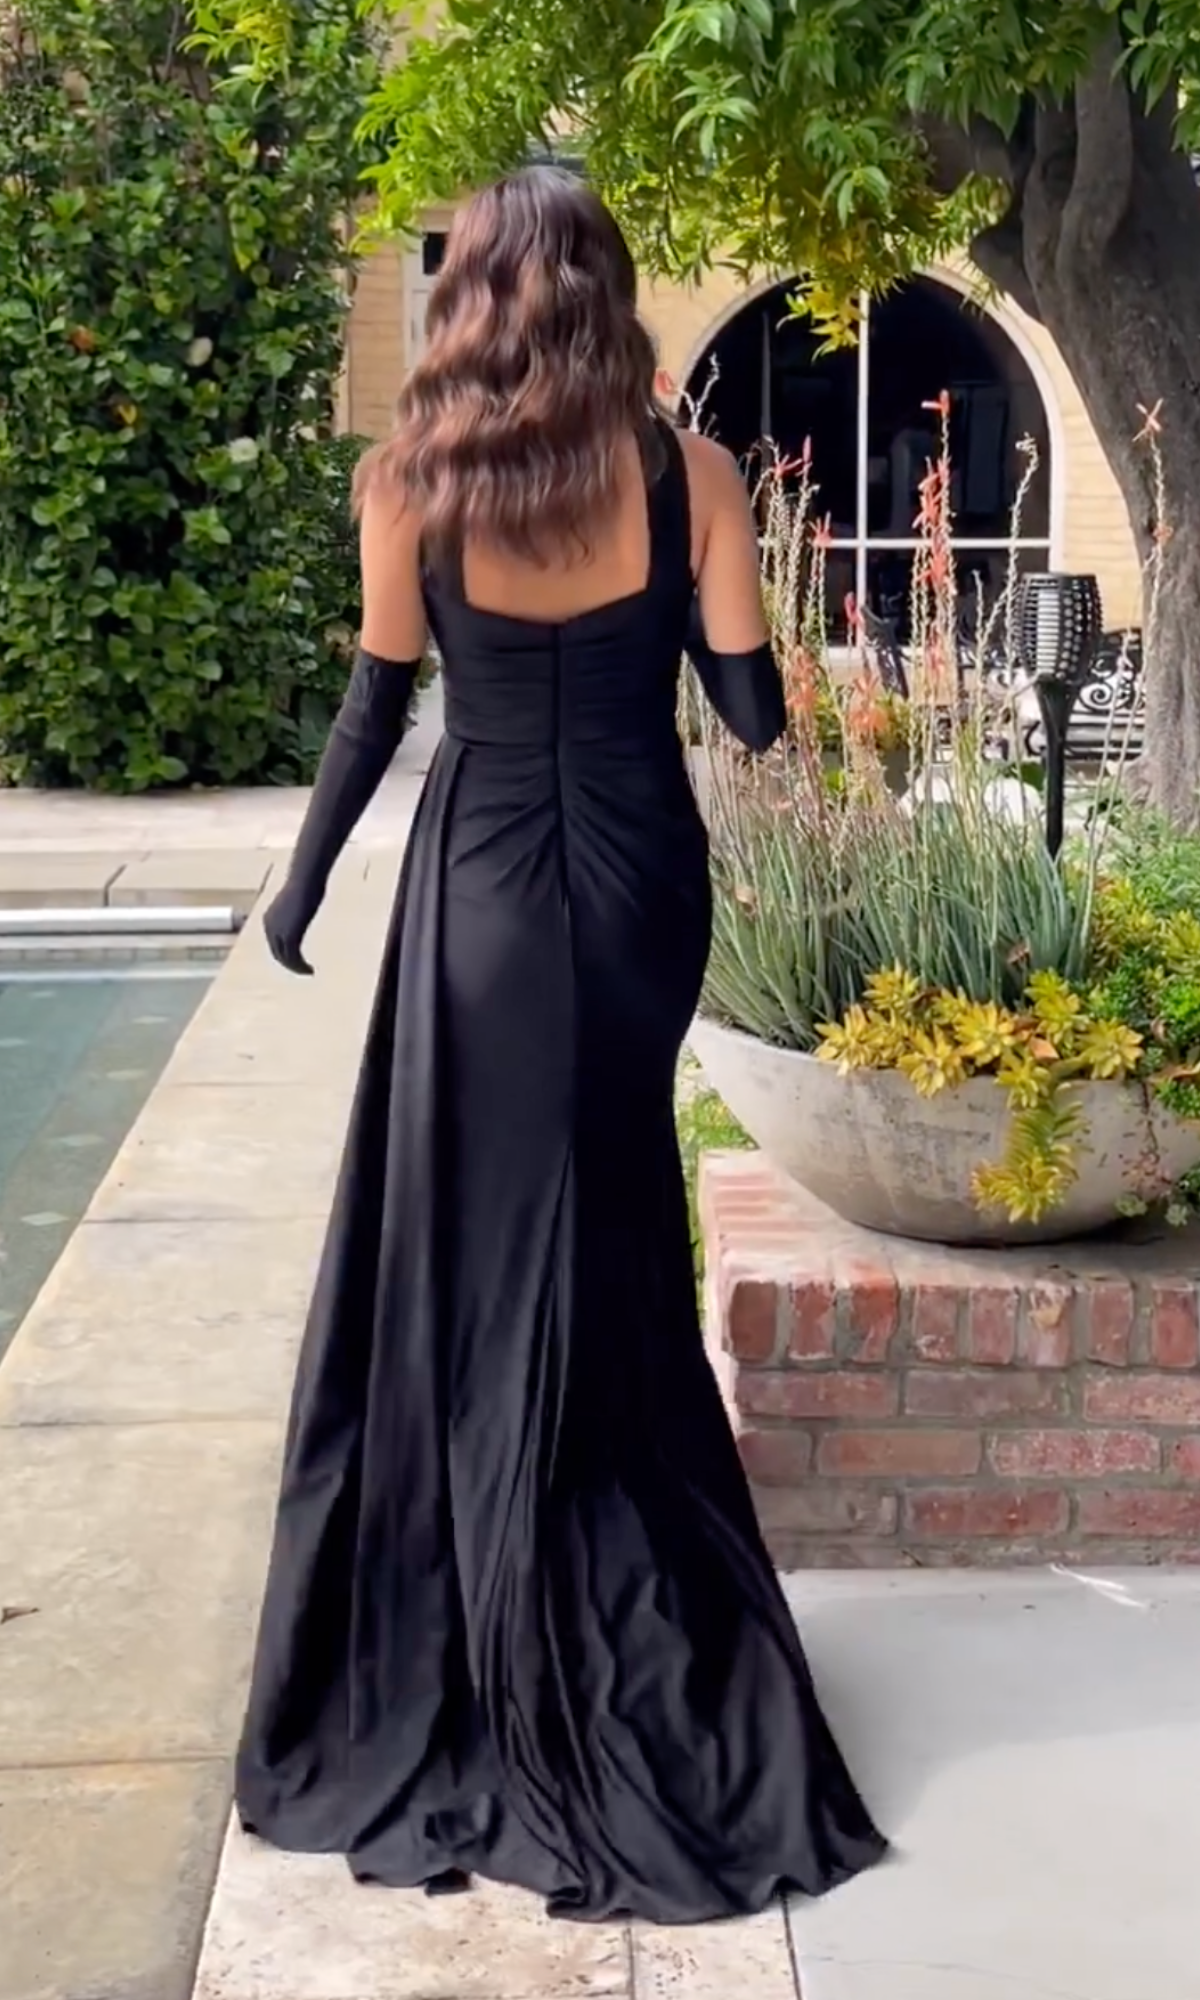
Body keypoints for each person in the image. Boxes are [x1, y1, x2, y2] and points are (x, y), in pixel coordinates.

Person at [236, 165, 885, 1925]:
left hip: (484, 895)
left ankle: (477, 1623)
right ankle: (628, 1589)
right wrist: (753, 620)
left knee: (468, 1251)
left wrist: (295, 890)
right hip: (635, 881)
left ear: (470, 300)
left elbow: (380, 703)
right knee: (607, 1229)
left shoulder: (410, 485)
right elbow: (747, 713)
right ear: (600, 292)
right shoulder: (689, 477)